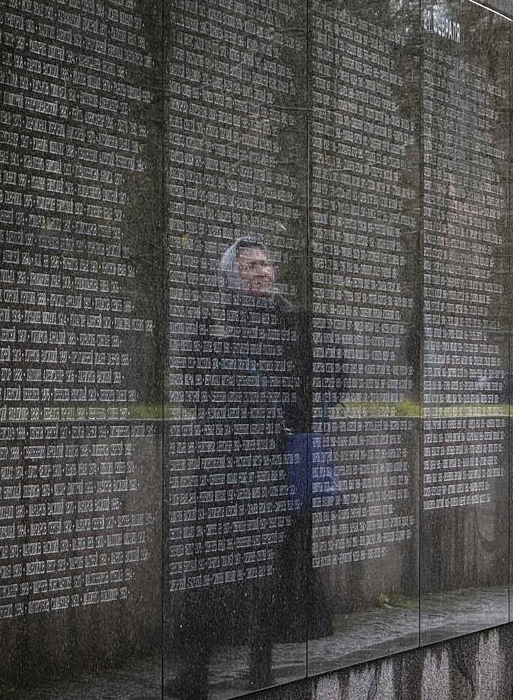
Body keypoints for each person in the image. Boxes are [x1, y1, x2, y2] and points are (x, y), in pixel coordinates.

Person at [168, 237, 335, 698]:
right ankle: (196, 669)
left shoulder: (294, 322)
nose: (262, 272)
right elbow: (192, 386)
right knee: (210, 569)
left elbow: (332, 375)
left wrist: (304, 410)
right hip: (224, 464)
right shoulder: (215, 322)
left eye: (266, 264)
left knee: (268, 569)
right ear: (231, 274)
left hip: (271, 464)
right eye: (250, 267)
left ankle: (260, 663)